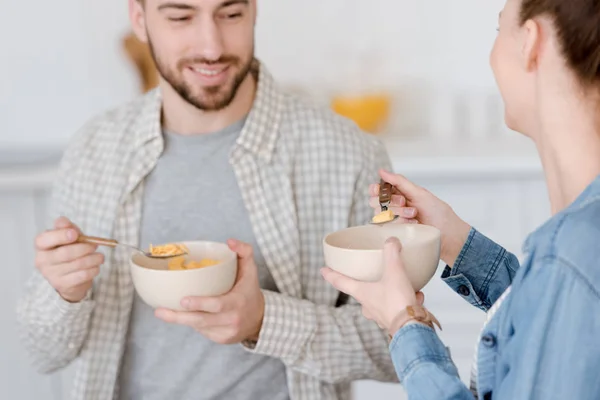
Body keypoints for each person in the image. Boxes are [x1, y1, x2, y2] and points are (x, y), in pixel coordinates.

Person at [15, 1, 398, 399]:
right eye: (181, 17)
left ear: (254, 12)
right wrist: (64, 292)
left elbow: (397, 345)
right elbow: (42, 354)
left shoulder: (351, 155)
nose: (212, 47)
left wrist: (264, 320)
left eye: (230, 15)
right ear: (139, 20)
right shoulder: (94, 150)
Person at [322, 0, 600, 398]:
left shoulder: (571, 251)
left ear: (529, 42)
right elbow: (560, 322)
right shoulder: (577, 244)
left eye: (497, 28)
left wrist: (405, 322)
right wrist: (454, 241)